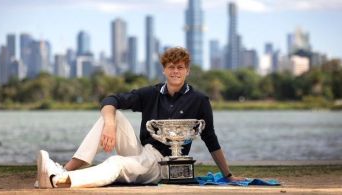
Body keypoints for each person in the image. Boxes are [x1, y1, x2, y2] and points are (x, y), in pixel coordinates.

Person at [37, 46, 244, 188]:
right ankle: (64, 169)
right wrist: (109, 125)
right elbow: (111, 99)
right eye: (171, 67)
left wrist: (228, 175)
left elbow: (211, 138)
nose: (175, 71)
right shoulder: (151, 93)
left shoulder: (199, 100)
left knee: (116, 163)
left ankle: (59, 180)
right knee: (113, 115)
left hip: (162, 162)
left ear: (187, 71)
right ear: (164, 69)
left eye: (180, 67)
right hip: (142, 151)